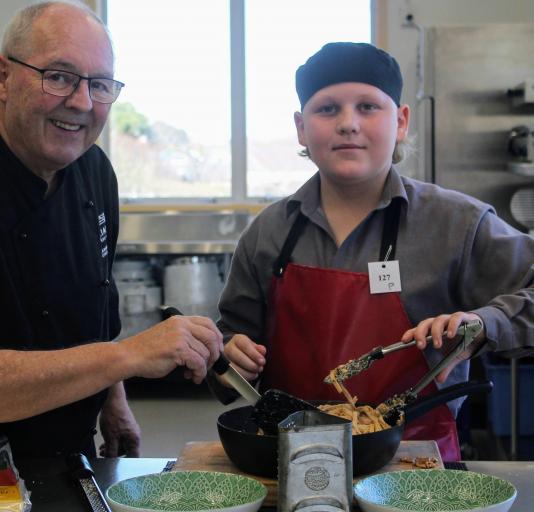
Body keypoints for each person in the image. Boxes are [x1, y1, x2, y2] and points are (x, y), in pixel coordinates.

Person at [0, 1, 223, 460]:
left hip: (70, 455)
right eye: (58, 76)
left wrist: (114, 401)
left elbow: (96, 309)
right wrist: (130, 356)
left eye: (99, 85)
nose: (81, 102)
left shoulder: (94, 170)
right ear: (3, 77)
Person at [211, 42, 534, 461]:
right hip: (290, 460)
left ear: (400, 122)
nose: (348, 124)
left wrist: (484, 323)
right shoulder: (268, 233)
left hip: (417, 462)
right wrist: (229, 357)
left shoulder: (458, 224)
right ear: (301, 128)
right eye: (327, 109)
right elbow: (227, 347)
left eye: (367, 107)